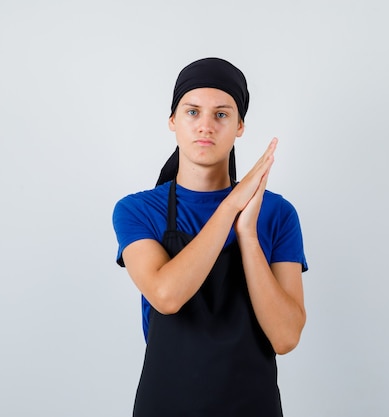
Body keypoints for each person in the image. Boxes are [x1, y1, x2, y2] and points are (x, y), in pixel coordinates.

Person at [112, 57, 308, 416]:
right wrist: (232, 205)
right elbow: (166, 295)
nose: (205, 126)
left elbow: (286, 337)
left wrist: (247, 234)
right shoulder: (137, 210)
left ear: (239, 127)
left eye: (221, 114)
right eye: (192, 112)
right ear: (172, 121)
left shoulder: (277, 214)